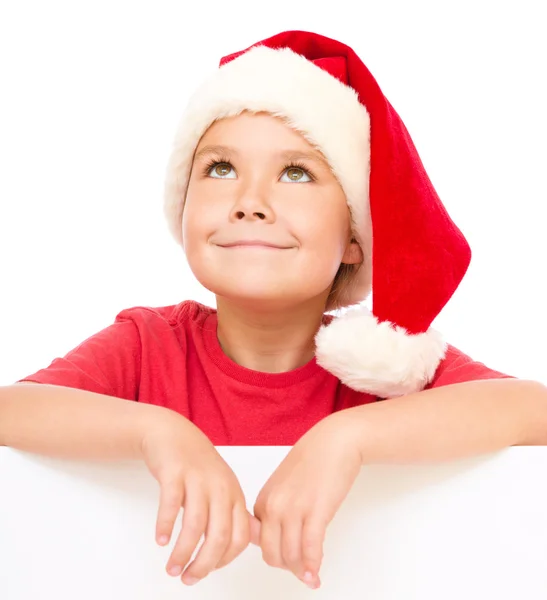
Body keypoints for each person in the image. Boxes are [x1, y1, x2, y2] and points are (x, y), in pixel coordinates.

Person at [1, 30, 546, 592]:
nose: (250, 203)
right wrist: (153, 430)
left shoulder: (384, 371)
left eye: (296, 173)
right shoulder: (148, 346)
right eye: (219, 168)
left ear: (355, 237)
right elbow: (9, 412)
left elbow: (535, 411)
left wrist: (351, 439)